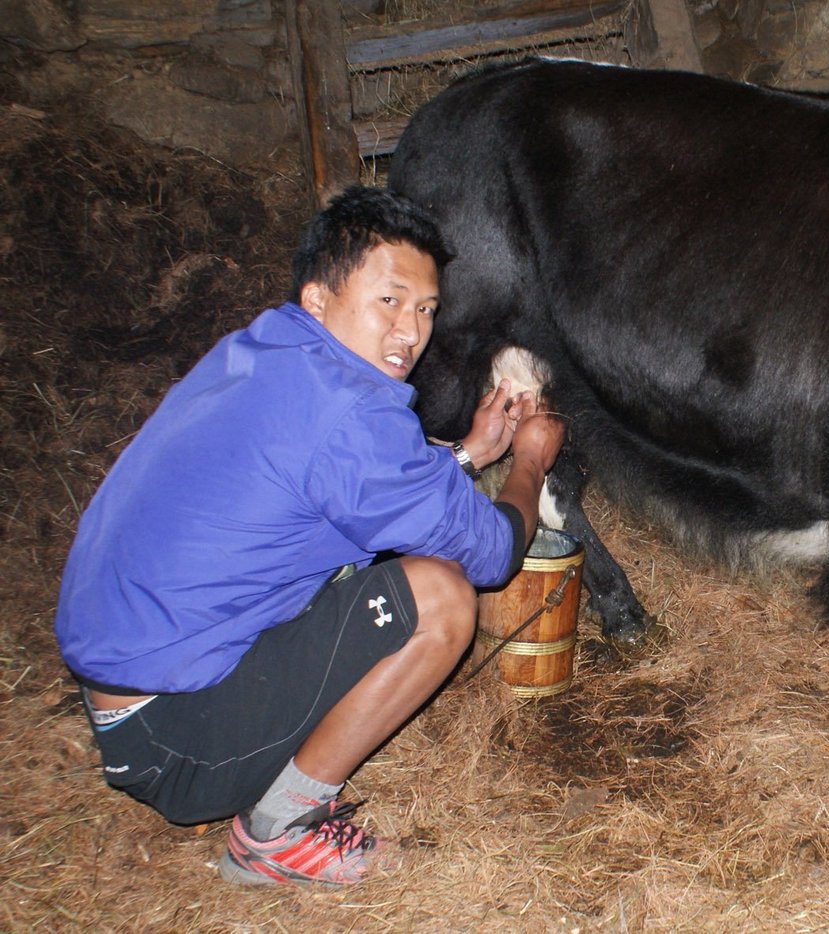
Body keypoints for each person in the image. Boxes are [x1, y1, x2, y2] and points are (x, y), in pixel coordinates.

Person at [53, 185, 564, 887]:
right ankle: (277, 833)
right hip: (172, 737)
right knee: (440, 597)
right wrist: (529, 462)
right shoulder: (349, 415)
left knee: (364, 560)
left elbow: (346, 481)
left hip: (135, 685)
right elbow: (495, 552)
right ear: (318, 298)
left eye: (425, 309)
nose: (410, 331)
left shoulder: (269, 350)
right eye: (389, 300)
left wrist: (471, 454)